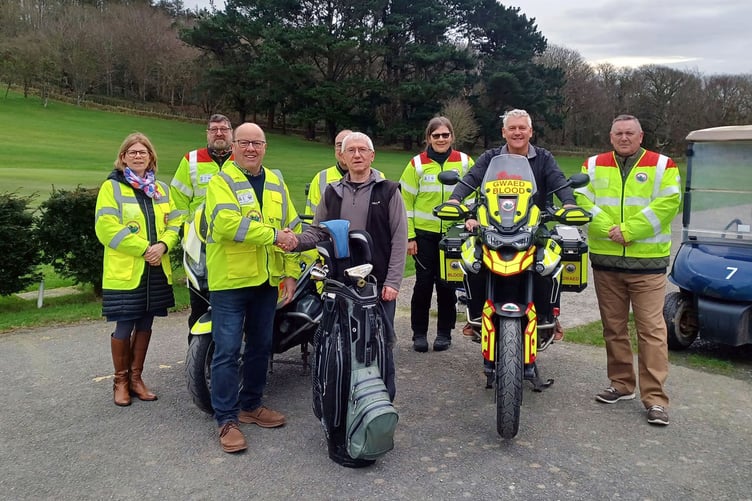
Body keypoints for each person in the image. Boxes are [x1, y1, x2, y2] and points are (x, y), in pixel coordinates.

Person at [574, 114, 681, 426]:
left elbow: (667, 204)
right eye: (618, 133)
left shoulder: (663, 165)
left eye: (629, 133)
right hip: (606, 261)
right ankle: (621, 384)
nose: (624, 138)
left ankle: (655, 399)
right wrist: (611, 228)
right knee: (614, 328)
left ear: (640, 135)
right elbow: (581, 199)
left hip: (647, 266)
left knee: (651, 331)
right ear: (610, 136)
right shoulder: (592, 165)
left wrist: (629, 230)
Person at [285, 132, 408, 399]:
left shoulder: (388, 190)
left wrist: (393, 282)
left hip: (377, 283)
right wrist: (294, 241)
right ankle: (344, 400)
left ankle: (382, 404)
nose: (357, 155)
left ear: (372, 155)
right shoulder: (331, 192)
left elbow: (400, 239)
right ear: (342, 156)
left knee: (380, 344)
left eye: (362, 150)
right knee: (340, 341)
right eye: (350, 150)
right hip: (340, 282)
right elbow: (317, 232)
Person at [204, 122, 301, 453]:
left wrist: (289, 272)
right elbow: (226, 224)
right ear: (233, 146)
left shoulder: (275, 181)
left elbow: (292, 227)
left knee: (262, 346)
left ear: (265, 147)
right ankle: (226, 419)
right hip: (230, 282)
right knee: (227, 351)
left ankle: (251, 405)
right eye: (243, 142)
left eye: (256, 143)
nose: (250, 149)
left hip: (265, 281)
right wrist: (273, 235)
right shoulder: (221, 181)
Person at [449, 109, 575, 340]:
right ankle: (476, 315)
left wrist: (568, 204)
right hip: (494, 225)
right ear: (504, 132)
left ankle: (549, 317)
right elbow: (471, 179)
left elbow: (559, 181)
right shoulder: (490, 158)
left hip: (535, 225)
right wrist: (455, 200)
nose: (517, 132)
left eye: (522, 128)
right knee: (473, 261)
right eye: (512, 128)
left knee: (548, 263)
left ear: (530, 131)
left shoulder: (544, 158)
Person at [94, 132, 182, 407]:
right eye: (132, 152)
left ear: (151, 157)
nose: (138, 156)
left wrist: (164, 246)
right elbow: (106, 227)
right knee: (125, 323)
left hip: (156, 268)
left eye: (143, 152)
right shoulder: (113, 187)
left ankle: (136, 379)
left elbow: (175, 223)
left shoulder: (162, 190)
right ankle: (120, 381)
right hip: (127, 271)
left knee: (145, 323)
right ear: (123, 157)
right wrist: (145, 248)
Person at [399, 117, 473, 352]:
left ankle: (444, 333)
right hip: (424, 235)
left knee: (448, 285)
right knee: (422, 285)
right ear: (428, 138)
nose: (441, 139)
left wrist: (471, 217)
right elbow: (405, 202)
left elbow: (474, 195)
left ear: (452, 136)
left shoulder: (464, 161)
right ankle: (418, 333)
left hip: (454, 235)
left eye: (445, 135)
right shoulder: (416, 164)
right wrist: (409, 236)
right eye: (436, 135)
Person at [170, 114, 234, 330]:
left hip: (234, 240)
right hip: (199, 243)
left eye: (224, 129)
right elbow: (177, 199)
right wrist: (186, 230)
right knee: (199, 302)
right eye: (214, 129)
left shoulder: (243, 158)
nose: (219, 133)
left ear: (231, 133)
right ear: (207, 133)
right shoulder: (191, 160)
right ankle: (197, 356)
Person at [304, 129, 383, 216]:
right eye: (339, 145)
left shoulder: (377, 176)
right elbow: (312, 216)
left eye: (347, 145)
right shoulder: (321, 178)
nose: (342, 148)